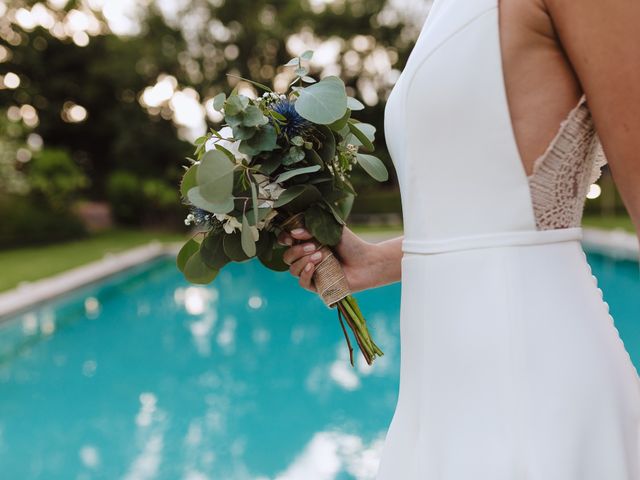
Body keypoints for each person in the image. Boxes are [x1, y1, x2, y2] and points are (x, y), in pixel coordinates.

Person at [278, 0, 640, 477]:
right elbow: (484, 215)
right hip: (433, 400)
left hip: (537, 387)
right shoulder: (442, 11)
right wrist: (374, 262)